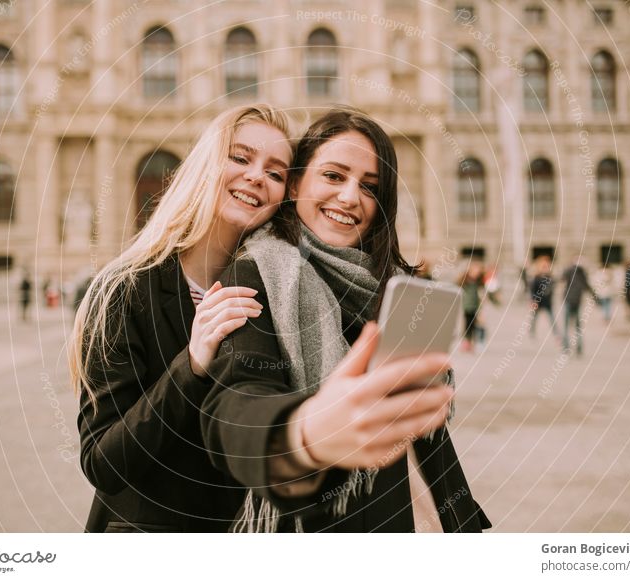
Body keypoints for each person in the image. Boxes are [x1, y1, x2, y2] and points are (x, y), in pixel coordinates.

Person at [200, 108, 490, 533]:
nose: (351, 198)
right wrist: (304, 433)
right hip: (334, 520)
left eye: (369, 187)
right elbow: (237, 397)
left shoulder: (387, 281)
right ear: (296, 183)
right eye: (334, 176)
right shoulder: (257, 270)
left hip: (430, 503)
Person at [68, 104, 293, 532]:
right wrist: (190, 365)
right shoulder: (123, 289)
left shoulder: (279, 289)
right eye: (241, 158)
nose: (257, 177)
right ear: (206, 164)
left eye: (276, 172)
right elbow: (103, 463)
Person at [560, 256, 598, 356]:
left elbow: (561, 278)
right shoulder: (582, 273)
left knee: (567, 325)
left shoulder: (569, 270)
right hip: (576, 301)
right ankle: (579, 347)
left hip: (569, 300)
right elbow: (587, 286)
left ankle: (566, 347)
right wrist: (595, 297)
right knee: (577, 326)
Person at [529, 256, 558, 337]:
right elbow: (533, 290)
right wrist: (533, 300)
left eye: (546, 266)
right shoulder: (536, 277)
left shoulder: (550, 277)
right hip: (538, 301)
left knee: (551, 318)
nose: (545, 268)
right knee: (534, 318)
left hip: (547, 302)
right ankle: (532, 331)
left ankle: (555, 331)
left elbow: (552, 287)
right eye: (543, 266)